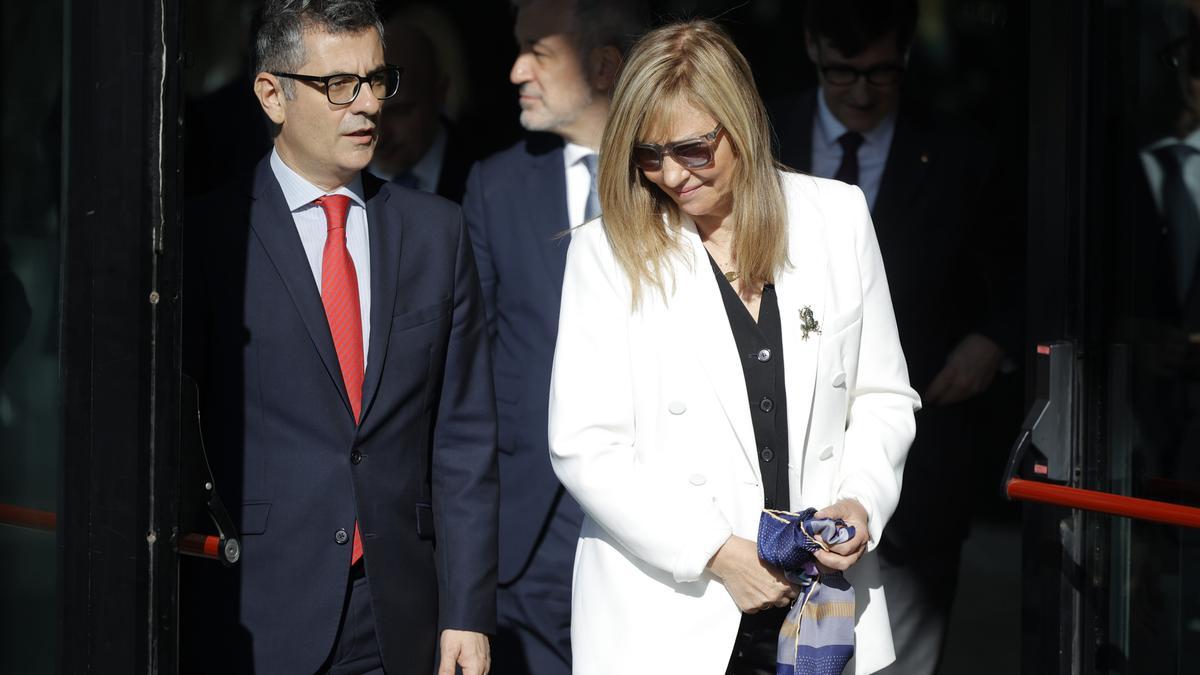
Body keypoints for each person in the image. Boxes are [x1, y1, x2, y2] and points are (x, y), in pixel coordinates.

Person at [548, 19, 919, 675]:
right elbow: (584, 443)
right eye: (648, 154)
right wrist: (717, 552)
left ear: (740, 121)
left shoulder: (837, 217)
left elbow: (882, 394)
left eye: (692, 148)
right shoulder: (606, 253)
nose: (670, 174)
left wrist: (861, 499)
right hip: (669, 614)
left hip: (822, 603)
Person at [180, 1, 497, 673]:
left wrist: (467, 610)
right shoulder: (210, 238)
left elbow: (463, 436)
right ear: (272, 94)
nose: (368, 105)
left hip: (400, 612)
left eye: (378, 80)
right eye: (339, 85)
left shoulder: (436, 233)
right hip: (255, 607)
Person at [770, 2, 1022, 671]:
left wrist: (990, 342)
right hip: (780, 466)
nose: (859, 92)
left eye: (880, 73)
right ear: (810, 44)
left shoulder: (963, 153)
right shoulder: (763, 136)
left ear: (906, 54)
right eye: (842, 72)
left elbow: (1022, 273)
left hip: (921, 463)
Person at [461, 0, 647, 673]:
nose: (515, 70)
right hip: (530, 529)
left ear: (603, 65)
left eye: (537, 50)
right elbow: (470, 365)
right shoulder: (496, 185)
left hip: (650, 520)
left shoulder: (675, 175)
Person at [368, 14, 473, 202]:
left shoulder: (483, 176)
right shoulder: (339, 178)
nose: (380, 135)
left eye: (400, 111)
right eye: (369, 114)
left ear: (440, 94)